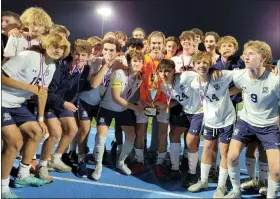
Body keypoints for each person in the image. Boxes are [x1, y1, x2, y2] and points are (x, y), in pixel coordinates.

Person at [1, 33, 70, 198]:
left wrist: (40, 119)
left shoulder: (51, 66)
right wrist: (29, 88)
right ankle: (2, 188)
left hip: (17, 104)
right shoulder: (27, 56)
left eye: (62, 48)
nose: (58, 50)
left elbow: (42, 93)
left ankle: (22, 176)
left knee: (37, 131)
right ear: (46, 45)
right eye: (55, 46)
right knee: (15, 142)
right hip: (2, 100)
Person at [225, 40, 280, 199]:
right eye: (245, 54)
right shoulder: (240, 75)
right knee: (232, 156)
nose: (245, 57)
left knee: (276, 170)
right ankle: (236, 192)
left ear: (263, 58)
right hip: (246, 122)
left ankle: (270, 194)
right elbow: (214, 74)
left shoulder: (275, 80)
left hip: (269, 125)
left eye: (251, 54)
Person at [187, 51, 238, 198]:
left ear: (210, 65)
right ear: (194, 66)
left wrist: (268, 66)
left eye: (205, 63)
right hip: (209, 120)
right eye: (198, 63)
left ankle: (221, 187)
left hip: (226, 120)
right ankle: (203, 181)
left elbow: (242, 77)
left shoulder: (220, 75)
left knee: (224, 153)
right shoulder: (194, 83)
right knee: (207, 149)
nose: (201, 65)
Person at [39, 40, 91, 178]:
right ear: (72, 53)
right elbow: (49, 92)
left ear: (88, 57)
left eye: (83, 55)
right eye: (77, 54)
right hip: (51, 103)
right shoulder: (61, 66)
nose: (80, 57)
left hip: (64, 104)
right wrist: (64, 103)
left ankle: (55, 159)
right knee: (55, 133)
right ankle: (42, 164)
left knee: (72, 129)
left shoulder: (85, 69)